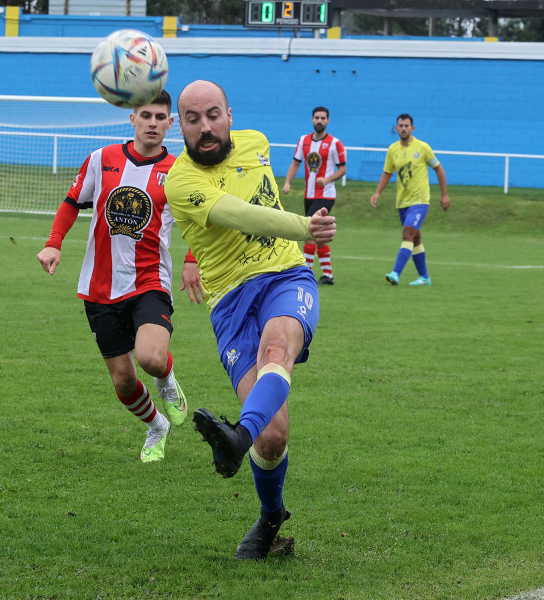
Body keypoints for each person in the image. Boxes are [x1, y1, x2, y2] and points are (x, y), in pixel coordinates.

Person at [165, 80, 336, 560]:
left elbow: (263, 199)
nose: (205, 127)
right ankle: (270, 515)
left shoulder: (257, 144)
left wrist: (298, 240)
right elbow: (242, 214)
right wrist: (306, 227)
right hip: (232, 303)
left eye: (213, 114)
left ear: (229, 115)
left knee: (277, 352)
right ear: (181, 124)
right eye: (193, 118)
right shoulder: (179, 181)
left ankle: (236, 437)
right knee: (274, 433)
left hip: (286, 277)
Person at [36, 90, 187, 463]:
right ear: (131, 119)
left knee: (151, 358)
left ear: (172, 123)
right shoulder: (102, 159)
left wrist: (194, 260)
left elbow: (198, 220)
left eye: (160, 117)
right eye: (146, 115)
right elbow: (72, 202)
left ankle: (166, 381)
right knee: (122, 379)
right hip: (99, 286)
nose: (153, 123)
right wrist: (54, 243)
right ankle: (156, 426)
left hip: (150, 278)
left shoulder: (181, 170)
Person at [369, 114, 450, 286]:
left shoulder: (423, 147)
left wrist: (444, 194)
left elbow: (439, 169)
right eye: (400, 125)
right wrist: (377, 193)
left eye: (407, 125)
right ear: (396, 128)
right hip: (402, 202)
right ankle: (425, 277)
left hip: (420, 200)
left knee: (407, 234)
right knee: (415, 238)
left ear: (412, 128)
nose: (404, 128)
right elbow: (387, 173)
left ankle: (395, 273)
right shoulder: (393, 149)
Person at [282, 106, 347, 285]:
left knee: (310, 231)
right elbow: (295, 163)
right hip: (308, 194)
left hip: (326, 194)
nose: (319, 121)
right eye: (317, 118)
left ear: (328, 121)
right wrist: (287, 182)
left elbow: (342, 169)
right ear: (312, 119)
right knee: (318, 234)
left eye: (323, 118)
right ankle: (328, 275)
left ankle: (306, 273)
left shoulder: (335, 143)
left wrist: (327, 179)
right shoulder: (303, 140)